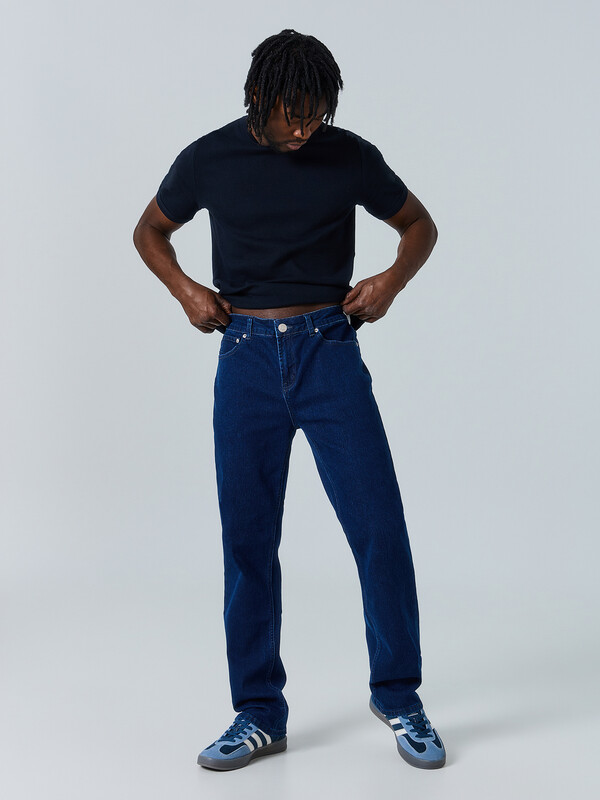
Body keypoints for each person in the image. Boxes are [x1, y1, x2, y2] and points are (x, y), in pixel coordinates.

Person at [133, 28, 446, 771]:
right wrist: (186, 291)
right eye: (292, 115)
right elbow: (149, 231)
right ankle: (258, 713)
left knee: (379, 528)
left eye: (316, 115)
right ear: (258, 98)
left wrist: (390, 282)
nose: (305, 130)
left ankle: (399, 696)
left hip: (328, 351)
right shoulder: (208, 158)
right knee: (248, 543)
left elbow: (419, 225)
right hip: (244, 355)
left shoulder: (349, 156)